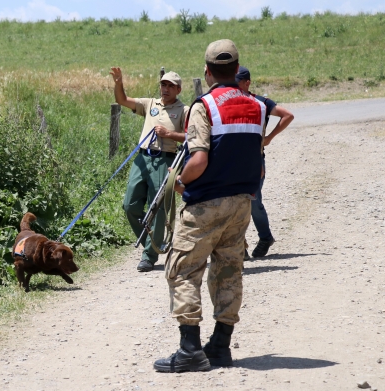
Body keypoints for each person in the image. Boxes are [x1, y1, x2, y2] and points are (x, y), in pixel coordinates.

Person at [153, 39, 265, 373]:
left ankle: (189, 350)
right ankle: (220, 346)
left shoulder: (205, 106)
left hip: (205, 204)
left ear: (207, 71)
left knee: (183, 269)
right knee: (229, 270)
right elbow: (256, 162)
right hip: (241, 204)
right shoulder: (257, 106)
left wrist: (181, 181)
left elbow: (199, 158)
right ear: (237, 69)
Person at [110, 67, 188, 272]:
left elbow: (191, 137)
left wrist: (169, 134)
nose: (166, 89)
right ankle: (153, 242)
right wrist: (118, 83)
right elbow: (122, 100)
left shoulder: (184, 110)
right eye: (163, 84)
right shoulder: (150, 103)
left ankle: (149, 256)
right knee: (130, 205)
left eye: (171, 86)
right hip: (143, 158)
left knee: (159, 209)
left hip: (166, 159)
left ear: (178, 89)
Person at [236, 66, 295, 258]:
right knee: (234, 203)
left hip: (254, 159)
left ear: (247, 83)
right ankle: (239, 246)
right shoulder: (227, 102)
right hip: (233, 161)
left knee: (253, 202)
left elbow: (288, 115)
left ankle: (265, 237)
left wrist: (269, 137)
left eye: (238, 82)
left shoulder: (261, 102)